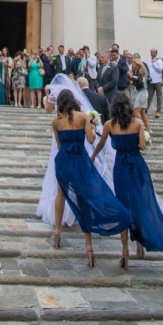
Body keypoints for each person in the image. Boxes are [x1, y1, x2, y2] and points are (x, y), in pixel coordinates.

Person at [51, 89, 132, 266]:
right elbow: (89, 139)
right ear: (73, 101)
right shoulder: (82, 117)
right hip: (80, 160)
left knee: (61, 193)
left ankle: (57, 231)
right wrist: (93, 128)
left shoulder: (56, 122)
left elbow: (59, 145)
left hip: (63, 160)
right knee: (83, 198)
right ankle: (89, 246)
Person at [92, 95, 163, 267]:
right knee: (139, 202)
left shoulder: (109, 125)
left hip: (120, 167)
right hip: (136, 165)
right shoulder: (137, 123)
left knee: (123, 205)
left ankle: (124, 250)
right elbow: (143, 147)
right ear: (129, 107)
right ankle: (140, 243)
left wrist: (92, 157)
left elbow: (100, 144)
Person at [128, 53, 149, 130]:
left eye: (133, 63)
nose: (132, 65)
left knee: (136, 111)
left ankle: (141, 129)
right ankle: (148, 129)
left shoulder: (141, 70)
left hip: (142, 92)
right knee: (143, 112)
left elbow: (140, 81)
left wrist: (131, 77)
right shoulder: (138, 70)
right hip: (142, 92)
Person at [146, 48, 163, 118]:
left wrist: (154, 63)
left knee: (159, 97)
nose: (152, 54)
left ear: (156, 53)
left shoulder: (159, 61)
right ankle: (145, 110)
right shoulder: (148, 61)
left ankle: (158, 111)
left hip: (158, 81)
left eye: (153, 52)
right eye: (151, 52)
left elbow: (160, 69)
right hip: (151, 81)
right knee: (148, 97)